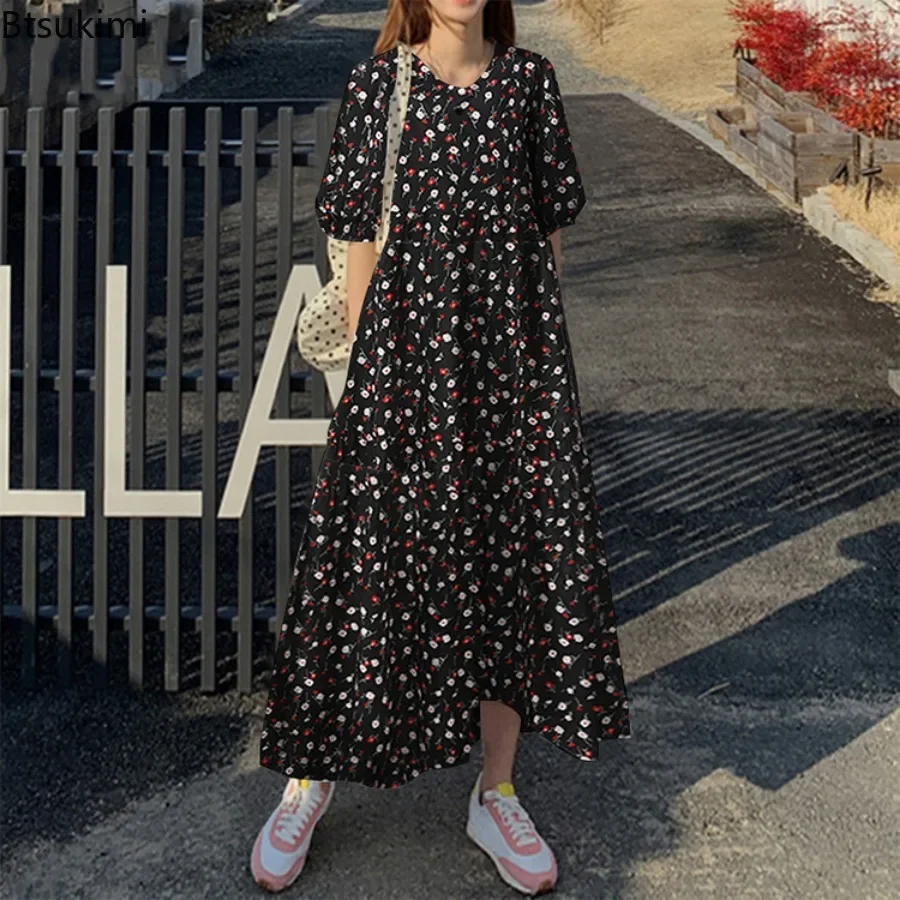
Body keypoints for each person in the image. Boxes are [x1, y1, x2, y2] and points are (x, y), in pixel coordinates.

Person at [251, 0, 632, 894]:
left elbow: (548, 243)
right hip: (401, 374)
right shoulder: (377, 87)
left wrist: (536, 379)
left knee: (508, 573)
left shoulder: (530, 83)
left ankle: (496, 791)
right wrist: (370, 387)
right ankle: (309, 778)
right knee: (361, 571)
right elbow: (356, 248)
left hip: (511, 377)